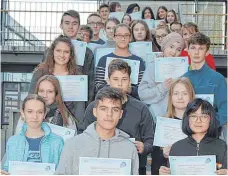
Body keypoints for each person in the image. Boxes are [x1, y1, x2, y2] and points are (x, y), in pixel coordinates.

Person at [81, 59, 155, 175]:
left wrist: (144, 147)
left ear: (130, 81)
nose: (120, 84)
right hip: (99, 164)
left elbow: (151, 139)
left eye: (124, 79)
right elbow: (84, 134)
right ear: (108, 80)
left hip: (133, 165)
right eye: (115, 79)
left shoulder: (141, 109)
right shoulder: (94, 107)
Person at [56, 87, 139, 175]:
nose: (109, 114)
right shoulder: (72, 145)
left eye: (115, 110)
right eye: (104, 109)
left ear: (120, 114)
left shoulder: (129, 149)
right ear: (95, 112)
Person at [159, 98, 227, 175]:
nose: (198, 120)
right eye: (194, 116)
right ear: (187, 119)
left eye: (204, 116)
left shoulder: (222, 146)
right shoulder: (177, 147)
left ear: (211, 120)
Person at [1, 94, 64, 174]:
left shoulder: (57, 142)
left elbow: (63, 171)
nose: (35, 116)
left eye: (39, 112)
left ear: (44, 114)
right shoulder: (13, 141)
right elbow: (8, 168)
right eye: (30, 112)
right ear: (23, 113)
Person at [182, 32, 227, 141]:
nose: (196, 52)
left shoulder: (217, 79)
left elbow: (225, 109)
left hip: (211, 134)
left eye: (201, 49)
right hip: (187, 133)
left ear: (207, 52)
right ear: (187, 51)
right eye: (193, 48)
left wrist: (209, 125)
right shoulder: (182, 79)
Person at [151, 77, 195, 175]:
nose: (180, 97)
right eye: (176, 93)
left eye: (184, 93)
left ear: (191, 96)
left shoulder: (198, 124)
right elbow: (155, 161)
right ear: (170, 97)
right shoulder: (161, 124)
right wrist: (164, 154)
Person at [138, 32, 185, 118]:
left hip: (178, 118)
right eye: (171, 47)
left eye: (178, 49)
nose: (174, 52)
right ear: (164, 46)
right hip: (156, 117)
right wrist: (162, 87)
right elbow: (143, 94)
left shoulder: (183, 69)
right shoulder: (153, 66)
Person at [17, 75, 84, 133]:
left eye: (50, 91)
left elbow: (71, 142)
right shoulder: (28, 113)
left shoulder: (65, 115)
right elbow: (18, 138)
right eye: (41, 91)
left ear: (56, 94)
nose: (44, 95)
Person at [95, 24, 145, 96]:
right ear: (114, 37)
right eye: (119, 35)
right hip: (109, 100)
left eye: (126, 35)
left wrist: (128, 89)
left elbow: (142, 88)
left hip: (131, 102)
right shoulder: (103, 60)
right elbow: (98, 85)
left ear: (130, 38)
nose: (123, 38)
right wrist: (114, 88)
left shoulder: (139, 61)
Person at [59, 10, 95, 105]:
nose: (70, 27)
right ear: (61, 25)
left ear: (79, 27)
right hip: (55, 100)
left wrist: (87, 107)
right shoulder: (51, 50)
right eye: (67, 23)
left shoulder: (87, 53)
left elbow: (90, 82)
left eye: (74, 23)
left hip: (78, 102)